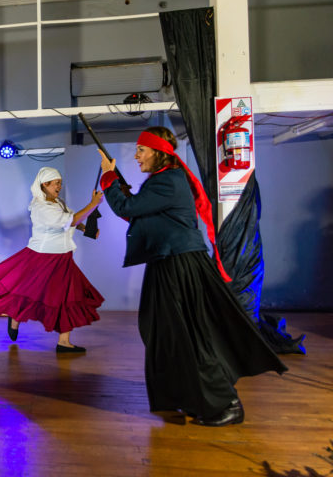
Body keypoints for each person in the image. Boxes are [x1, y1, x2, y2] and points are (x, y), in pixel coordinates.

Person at [98, 126, 287, 426]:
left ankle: (226, 404)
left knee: (189, 337)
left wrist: (108, 177)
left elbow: (127, 207)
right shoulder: (163, 181)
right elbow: (135, 212)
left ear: (158, 153)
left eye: (141, 150)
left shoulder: (168, 181)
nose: (136, 155)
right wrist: (118, 187)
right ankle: (188, 395)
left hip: (179, 264)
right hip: (169, 262)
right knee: (163, 333)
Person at [0, 167, 104, 353]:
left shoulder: (58, 203)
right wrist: (93, 204)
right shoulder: (41, 207)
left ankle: (64, 342)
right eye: (55, 182)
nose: (59, 185)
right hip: (43, 257)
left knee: (68, 298)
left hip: (64, 257)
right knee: (27, 291)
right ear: (45, 184)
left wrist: (87, 229)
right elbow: (70, 221)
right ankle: (15, 317)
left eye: (60, 181)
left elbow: (72, 218)